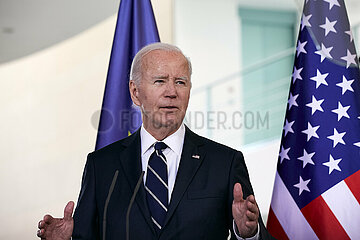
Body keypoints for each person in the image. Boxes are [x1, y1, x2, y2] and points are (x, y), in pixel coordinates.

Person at [37, 43, 274, 240]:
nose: (172, 92)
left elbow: (260, 236)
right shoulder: (102, 166)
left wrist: (248, 234)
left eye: (180, 82)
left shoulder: (225, 162)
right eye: (160, 81)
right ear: (135, 92)